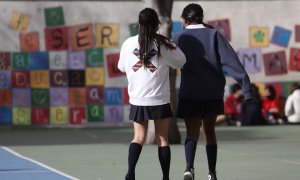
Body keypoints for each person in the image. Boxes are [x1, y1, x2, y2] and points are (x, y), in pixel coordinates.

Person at [174, 4, 252, 180]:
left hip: (190, 92)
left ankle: (189, 169)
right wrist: (246, 89)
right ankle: (212, 173)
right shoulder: (214, 34)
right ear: (202, 18)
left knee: (191, 132)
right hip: (212, 92)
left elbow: (170, 62)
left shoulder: (178, 37)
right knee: (209, 131)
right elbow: (231, 62)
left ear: (184, 20)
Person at [118, 8, 186, 180]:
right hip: (159, 98)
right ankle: (165, 177)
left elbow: (121, 67)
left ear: (139, 24)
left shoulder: (128, 43)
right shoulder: (163, 43)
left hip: (138, 98)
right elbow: (181, 60)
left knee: (138, 137)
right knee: (163, 139)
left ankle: (130, 173)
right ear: (157, 24)